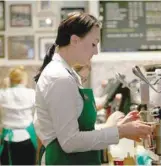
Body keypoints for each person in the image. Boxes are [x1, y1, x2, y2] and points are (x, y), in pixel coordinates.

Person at [34, 12, 152, 165]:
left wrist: (117, 127)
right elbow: (70, 142)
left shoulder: (67, 74)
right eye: (93, 44)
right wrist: (120, 132)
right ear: (75, 40)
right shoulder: (59, 77)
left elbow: (78, 129)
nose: (96, 51)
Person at [0, 66, 37, 165]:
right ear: (23, 80)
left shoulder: (3, 94)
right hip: (27, 138)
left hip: (8, 139)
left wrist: (5, 86)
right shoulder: (31, 93)